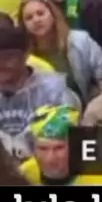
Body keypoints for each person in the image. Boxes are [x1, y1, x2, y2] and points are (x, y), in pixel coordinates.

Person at [0, 25, 80, 161]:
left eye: (7, 57)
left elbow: (68, 142)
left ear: (25, 55)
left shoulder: (55, 90)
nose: (1, 64)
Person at [18, 0, 102, 107]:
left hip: (92, 106)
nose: (36, 20)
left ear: (53, 15)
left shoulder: (80, 40)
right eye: (29, 18)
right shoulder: (24, 59)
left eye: (40, 13)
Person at [20, 105, 102, 185]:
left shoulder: (101, 178)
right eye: (43, 149)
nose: (50, 158)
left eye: (59, 148)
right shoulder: (24, 173)